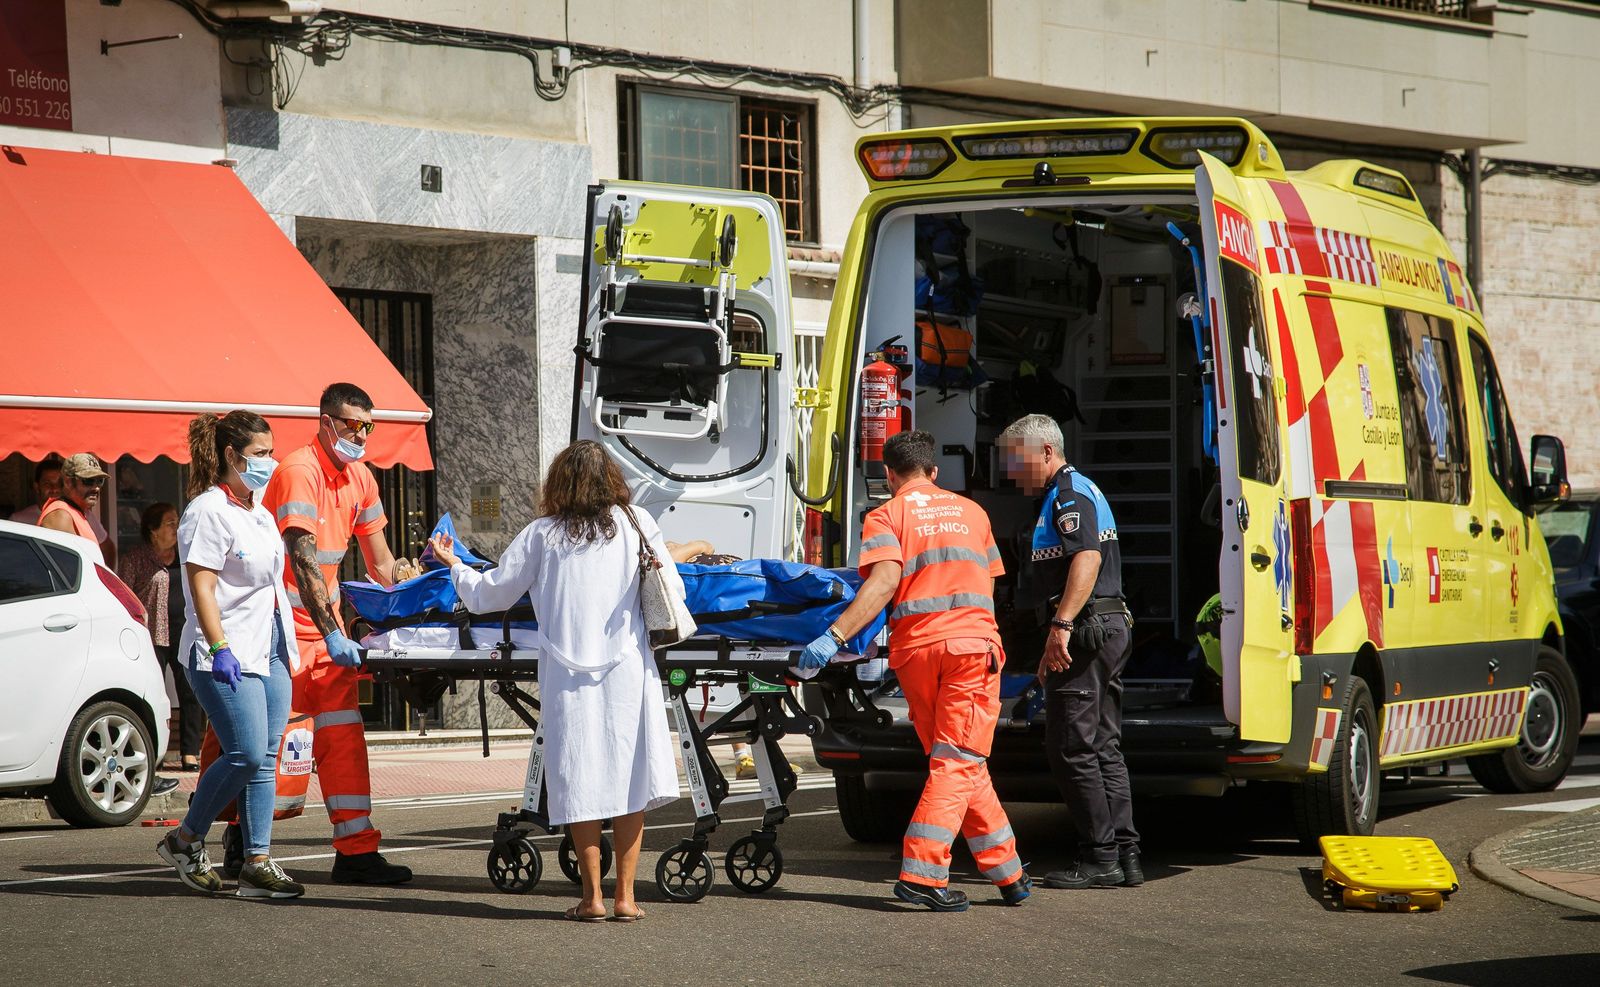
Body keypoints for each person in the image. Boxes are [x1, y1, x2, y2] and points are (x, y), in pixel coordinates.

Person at [429, 440, 681, 922]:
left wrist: (456, 566)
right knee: (631, 778)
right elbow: (674, 589)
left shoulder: (541, 534)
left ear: (558, 483)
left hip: (567, 675)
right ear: (612, 479)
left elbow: (490, 596)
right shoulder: (638, 524)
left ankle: (592, 898)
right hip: (628, 670)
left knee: (578, 776)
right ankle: (627, 897)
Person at [798, 430, 1028, 912]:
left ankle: (1007, 872)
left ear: (889, 475)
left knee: (959, 762)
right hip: (970, 649)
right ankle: (923, 875)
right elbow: (987, 585)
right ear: (934, 472)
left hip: (917, 654)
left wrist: (833, 638)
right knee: (959, 760)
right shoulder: (974, 513)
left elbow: (884, 584)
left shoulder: (885, 515)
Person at [259, 382, 413, 886]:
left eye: (369, 425)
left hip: (325, 632)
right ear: (326, 422)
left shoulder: (361, 479)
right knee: (261, 741)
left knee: (343, 737)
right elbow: (302, 560)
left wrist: (421, 584)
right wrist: (331, 633)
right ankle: (241, 840)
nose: (362, 434)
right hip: (280, 629)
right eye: (353, 424)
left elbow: (381, 562)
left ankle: (356, 850)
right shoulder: (300, 471)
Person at [156, 411, 301, 898]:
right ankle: (185, 838)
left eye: (270, 451)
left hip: (271, 648)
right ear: (230, 457)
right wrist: (219, 647)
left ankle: (257, 861)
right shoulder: (207, 511)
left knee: (263, 757)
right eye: (259, 454)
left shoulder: (258, 513)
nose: (268, 462)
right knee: (242, 752)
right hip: (224, 652)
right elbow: (202, 585)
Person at [999, 414, 1141, 890]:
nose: (1011, 473)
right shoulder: (1074, 491)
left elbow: (1087, 557)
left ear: (1045, 451)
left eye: (1016, 460)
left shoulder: (1067, 494)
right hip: (1102, 628)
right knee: (1102, 745)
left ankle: (1099, 858)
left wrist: (1060, 625)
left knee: (1071, 748)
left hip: (1085, 632)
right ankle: (1126, 855)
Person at [665, 539, 802, 782]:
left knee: (752, 685)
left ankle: (751, 757)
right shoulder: (675, 560)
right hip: (735, 612)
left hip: (748, 602)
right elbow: (671, 561)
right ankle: (744, 757)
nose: (672, 543)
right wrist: (699, 544)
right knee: (751, 683)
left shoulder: (694, 563)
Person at [120, 503, 205, 771]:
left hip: (184, 631)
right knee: (148, 693)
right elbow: (123, 597)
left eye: (176, 522)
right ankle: (148, 750)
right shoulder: (136, 559)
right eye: (169, 523)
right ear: (153, 530)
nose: (175, 528)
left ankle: (190, 752)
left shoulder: (186, 557)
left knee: (191, 692)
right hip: (150, 635)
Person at [16, 456, 116, 564]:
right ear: (68, 482)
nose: (96, 488)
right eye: (88, 481)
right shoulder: (60, 514)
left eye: (100, 481)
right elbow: (65, 570)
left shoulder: (74, 512)